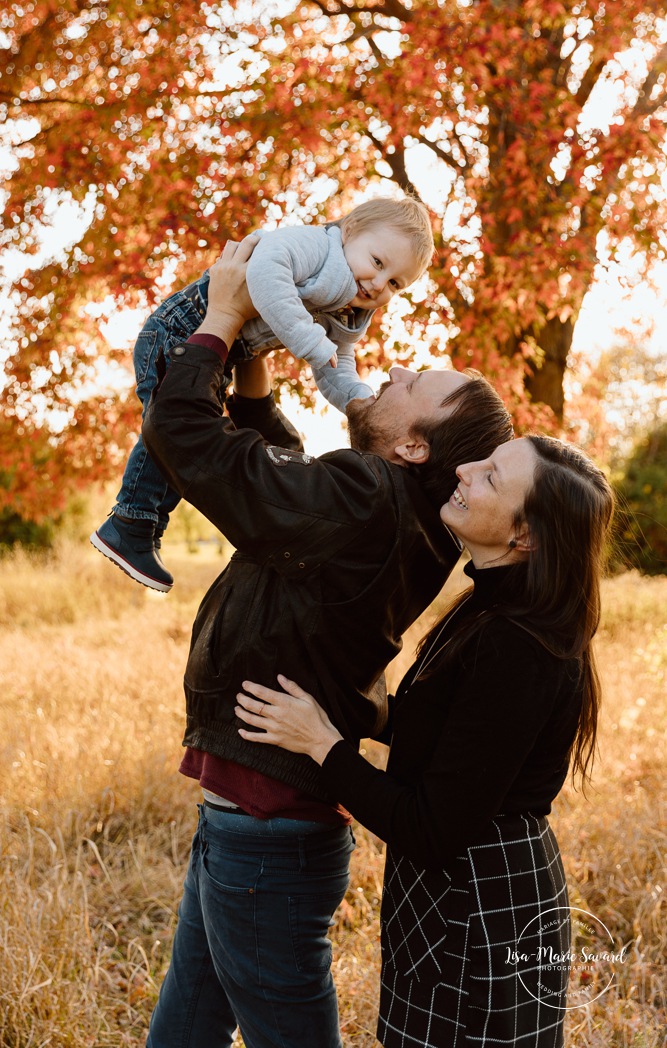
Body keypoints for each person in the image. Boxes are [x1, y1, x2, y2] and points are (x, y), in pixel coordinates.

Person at [139, 238, 514, 1048]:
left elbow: (193, 447)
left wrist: (221, 321)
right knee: (187, 1024)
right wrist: (254, 376)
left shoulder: (370, 500)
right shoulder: (398, 514)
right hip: (256, 815)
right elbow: (298, 486)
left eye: (414, 384)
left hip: (265, 828)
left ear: (412, 448)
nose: (395, 369)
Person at [235, 435, 615, 1048]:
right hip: (456, 885)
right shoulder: (488, 605)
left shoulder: (518, 647)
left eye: (491, 477)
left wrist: (322, 744)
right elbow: (444, 736)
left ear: (525, 536)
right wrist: (353, 710)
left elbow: (431, 828)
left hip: (480, 895)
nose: (464, 470)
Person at [90, 196, 434, 592]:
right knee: (171, 429)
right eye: (377, 262)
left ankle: (143, 526)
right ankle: (131, 522)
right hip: (182, 330)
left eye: (394, 283)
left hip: (224, 352)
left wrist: (358, 401)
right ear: (351, 230)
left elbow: (336, 362)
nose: (378, 284)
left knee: (180, 441)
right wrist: (308, 338)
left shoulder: (350, 308)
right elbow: (266, 273)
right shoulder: (317, 246)